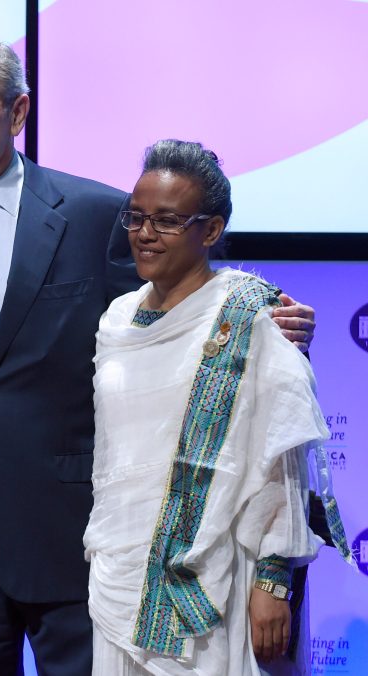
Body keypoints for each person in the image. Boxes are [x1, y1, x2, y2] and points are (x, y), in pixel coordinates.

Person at [0, 29, 317, 675]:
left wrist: (263, 325)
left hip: (75, 538)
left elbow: (175, 315)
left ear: (17, 112)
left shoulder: (97, 213)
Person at [83, 140, 351, 676]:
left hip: (218, 576)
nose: (144, 233)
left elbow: (281, 458)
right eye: (136, 217)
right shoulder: (116, 319)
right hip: (119, 569)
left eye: (167, 220)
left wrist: (273, 580)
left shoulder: (253, 313)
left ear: (210, 230)